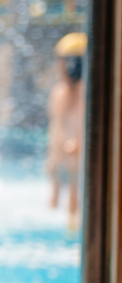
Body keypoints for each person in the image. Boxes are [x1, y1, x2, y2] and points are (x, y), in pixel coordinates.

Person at [48, 32, 86, 230]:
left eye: (62, 61)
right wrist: (52, 157)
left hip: (76, 155)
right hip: (62, 154)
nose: (59, 66)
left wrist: (75, 146)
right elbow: (56, 127)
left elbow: (81, 125)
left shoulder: (85, 92)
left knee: (74, 194)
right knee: (55, 197)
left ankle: (73, 223)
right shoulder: (59, 92)